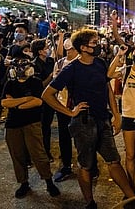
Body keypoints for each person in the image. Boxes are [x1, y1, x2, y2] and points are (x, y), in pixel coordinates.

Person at [42, 28, 135, 209]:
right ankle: (89, 202)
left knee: (113, 160)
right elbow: (47, 94)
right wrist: (70, 112)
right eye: (94, 43)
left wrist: (116, 115)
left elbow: (107, 87)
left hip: (103, 119)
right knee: (85, 165)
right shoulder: (71, 69)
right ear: (83, 47)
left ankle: (132, 198)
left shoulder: (99, 63)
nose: (98, 45)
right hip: (84, 122)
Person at [0, 52, 60, 199]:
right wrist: (27, 99)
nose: (20, 69)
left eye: (23, 65)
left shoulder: (35, 82)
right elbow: (4, 102)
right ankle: (23, 183)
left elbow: (38, 102)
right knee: (17, 155)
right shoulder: (10, 83)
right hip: (12, 125)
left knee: (38, 154)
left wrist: (16, 103)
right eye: (17, 66)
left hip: (32, 123)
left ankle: (48, 182)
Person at [108, 43, 135, 193]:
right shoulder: (125, 70)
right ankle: (131, 186)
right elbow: (109, 74)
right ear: (132, 55)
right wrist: (119, 54)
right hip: (128, 115)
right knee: (130, 154)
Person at [51, 37, 78, 182]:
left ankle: (89, 166)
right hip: (62, 105)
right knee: (64, 137)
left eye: (72, 49)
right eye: (68, 50)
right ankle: (66, 166)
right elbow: (55, 85)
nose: (70, 52)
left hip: (78, 105)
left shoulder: (82, 64)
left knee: (82, 137)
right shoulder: (59, 63)